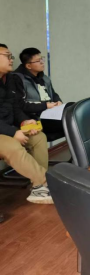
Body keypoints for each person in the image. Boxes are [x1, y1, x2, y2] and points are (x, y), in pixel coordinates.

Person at [0, 44, 52, 205]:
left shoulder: (9, 79)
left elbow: (15, 107)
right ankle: (44, 182)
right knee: (13, 146)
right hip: (4, 132)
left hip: (7, 128)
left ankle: (39, 187)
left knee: (38, 138)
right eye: (7, 56)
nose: (11, 60)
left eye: (11, 56)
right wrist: (13, 132)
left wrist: (24, 121)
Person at [14, 48, 66, 138]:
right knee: (72, 123)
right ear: (28, 66)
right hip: (35, 118)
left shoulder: (43, 77)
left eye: (42, 59)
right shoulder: (17, 79)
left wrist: (58, 102)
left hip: (51, 114)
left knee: (73, 110)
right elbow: (21, 105)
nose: (42, 62)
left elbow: (53, 94)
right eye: (38, 61)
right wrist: (45, 106)